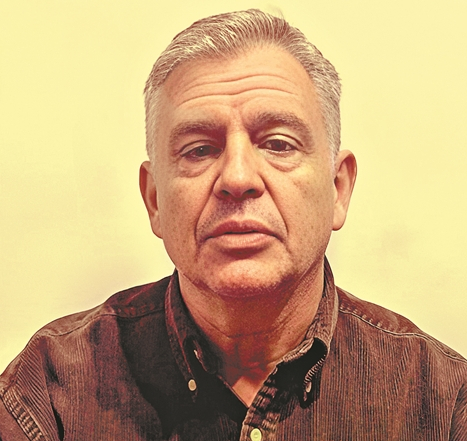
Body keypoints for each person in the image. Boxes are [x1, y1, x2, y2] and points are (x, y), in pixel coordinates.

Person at [0, 9, 466, 440]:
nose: (238, 178)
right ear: (155, 199)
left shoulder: (442, 403)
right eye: (200, 150)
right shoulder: (47, 393)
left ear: (338, 189)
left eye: (279, 144)